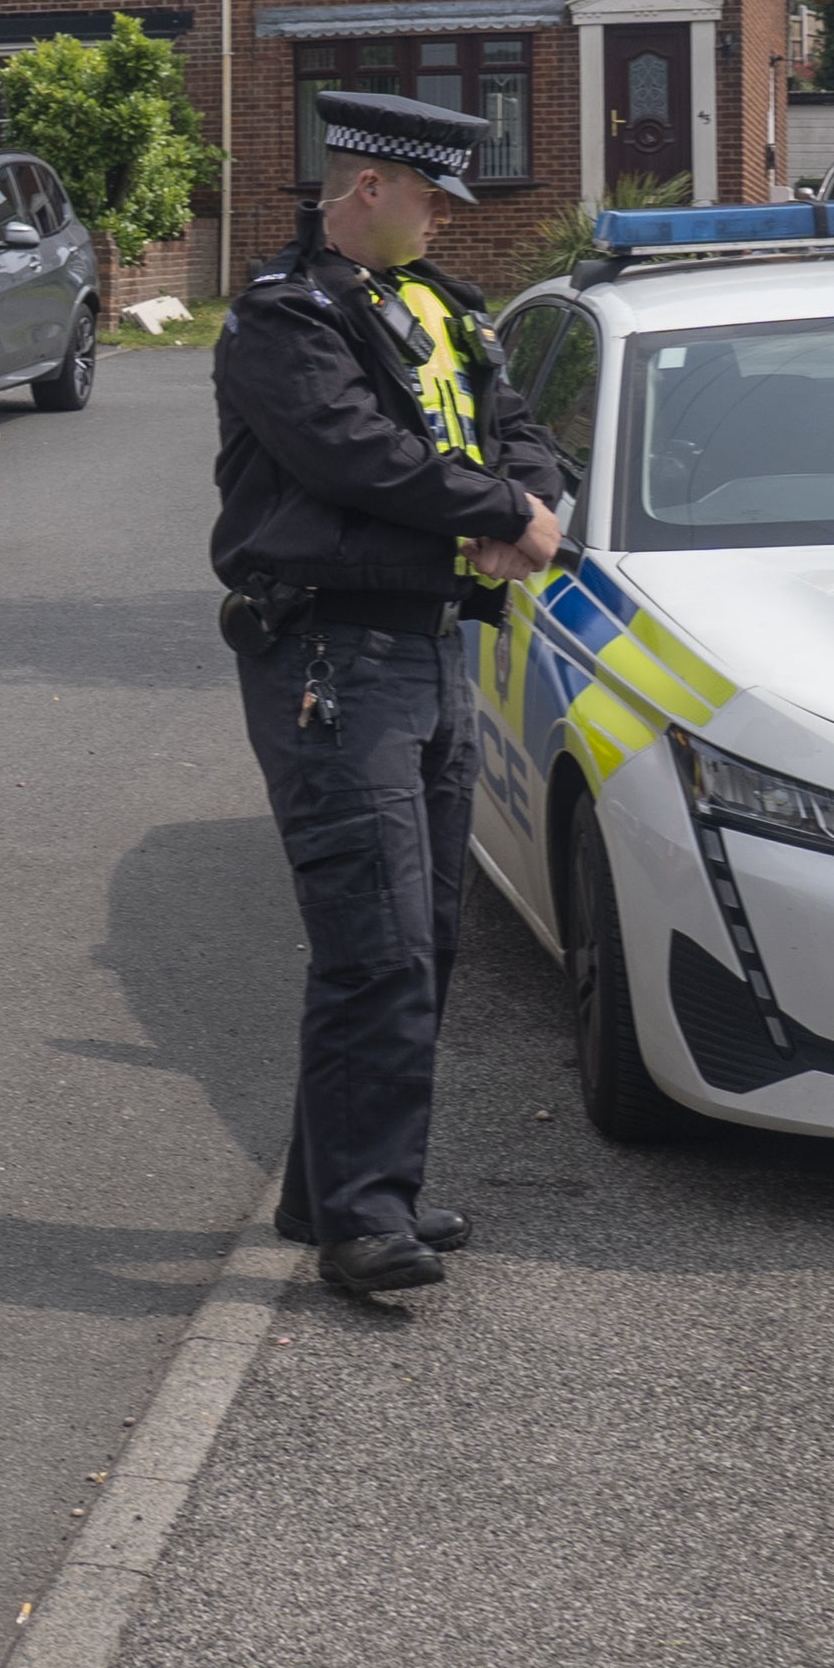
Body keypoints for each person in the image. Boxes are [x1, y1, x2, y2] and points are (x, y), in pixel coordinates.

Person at [207, 89, 573, 1300]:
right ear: (368, 188)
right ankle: (367, 1224)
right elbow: (351, 454)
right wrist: (498, 516)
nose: (441, 219)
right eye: (427, 195)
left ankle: (339, 1187)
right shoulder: (280, 320)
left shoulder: (441, 307)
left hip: (426, 649)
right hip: (332, 655)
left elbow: (515, 431)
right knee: (373, 943)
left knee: (420, 936)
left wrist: (527, 502)